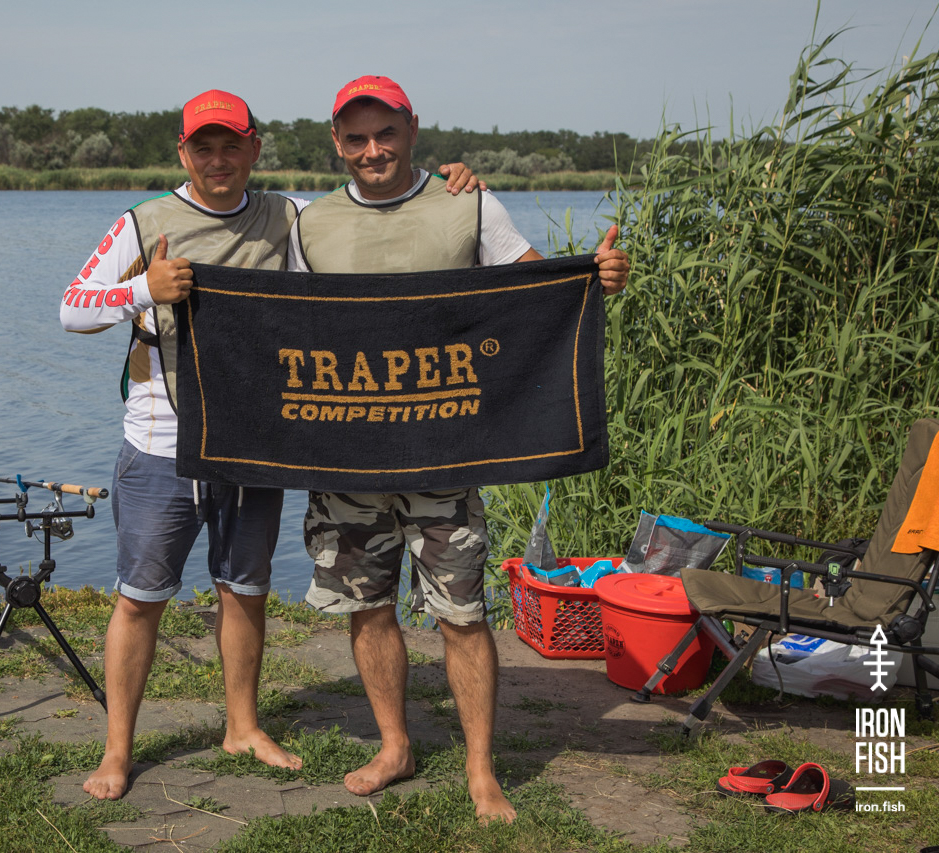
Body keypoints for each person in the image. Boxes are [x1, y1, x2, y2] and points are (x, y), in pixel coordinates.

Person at [59, 88, 481, 801]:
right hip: (161, 441)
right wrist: (144, 290)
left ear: (254, 148)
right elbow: (72, 308)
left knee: (245, 589)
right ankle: (117, 751)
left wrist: (450, 181)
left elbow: (371, 209)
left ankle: (243, 727)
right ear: (183, 153)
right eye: (203, 148)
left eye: (232, 145)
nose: (218, 160)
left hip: (252, 439)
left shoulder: (288, 216)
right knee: (139, 597)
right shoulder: (142, 221)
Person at [288, 75, 630, 824]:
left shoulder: (469, 203)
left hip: (446, 451)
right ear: (336, 142)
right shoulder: (309, 224)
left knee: (463, 613)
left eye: (386, 132)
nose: (373, 149)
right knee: (366, 605)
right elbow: (282, 325)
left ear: (412, 129)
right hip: (347, 457)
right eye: (356, 137)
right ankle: (394, 747)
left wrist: (592, 278)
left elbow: (537, 287)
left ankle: (481, 770)